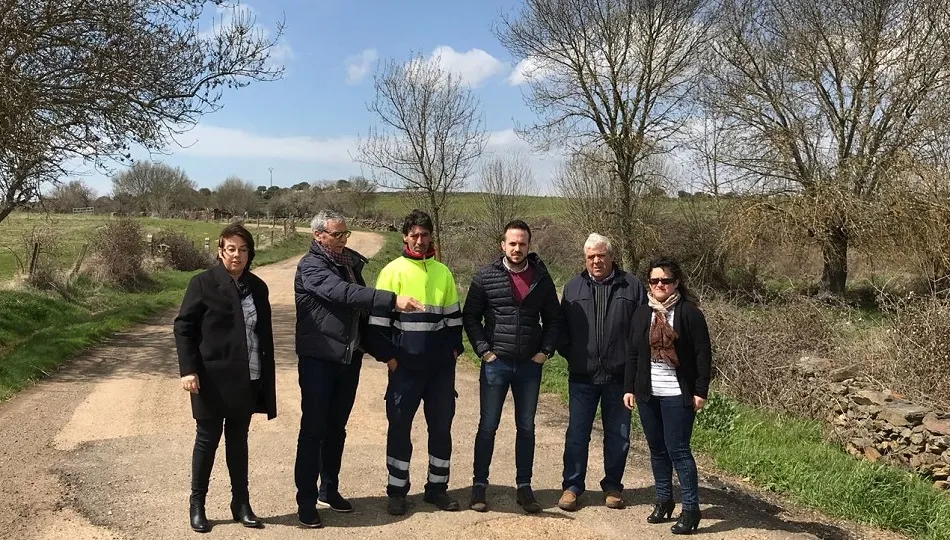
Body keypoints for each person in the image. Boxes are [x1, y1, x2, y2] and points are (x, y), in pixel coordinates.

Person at [293, 210, 424, 528]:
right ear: (318, 236)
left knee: (336, 429)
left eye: (345, 234)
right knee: (314, 431)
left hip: (348, 361)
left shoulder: (350, 265)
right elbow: (343, 294)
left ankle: (329, 489)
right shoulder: (311, 267)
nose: (342, 240)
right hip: (318, 360)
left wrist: (386, 354)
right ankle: (306, 501)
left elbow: (361, 316)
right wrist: (392, 300)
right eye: (336, 235)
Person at [173, 223, 276, 533]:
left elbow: (262, 334)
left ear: (249, 254)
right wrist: (188, 369)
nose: (237, 255)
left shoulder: (257, 287)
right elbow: (183, 328)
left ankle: (240, 503)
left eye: (243, 250)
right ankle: (197, 504)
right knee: (207, 440)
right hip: (210, 378)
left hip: (248, 377)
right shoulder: (202, 284)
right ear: (220, 252)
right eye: (231, 249)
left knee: (238, 441)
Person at [368, 209, 464, 516]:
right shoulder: (391, 271)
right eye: (414, 235)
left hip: (439, 371)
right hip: (405, 368)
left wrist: (452, 354)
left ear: (431, 236)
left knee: (441, 428)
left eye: (424, 235)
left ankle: (437, 489)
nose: (419, 241)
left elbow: (454, 322)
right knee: (399, 428)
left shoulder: (443, 272)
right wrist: (391, 359)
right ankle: (397, 491)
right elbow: (376, 327)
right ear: (405, 236)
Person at [462, 219, 562, 513]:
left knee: (527, 428)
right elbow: (471, 316)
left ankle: (524, 488)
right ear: (502, 245)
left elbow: (554, 319)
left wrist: (545, 351)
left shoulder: (541, 279)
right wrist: (483, 351)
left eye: (523, 244)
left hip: (530, 366)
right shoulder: (484, 277)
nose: (517, 248)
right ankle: (479, 486)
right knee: (488, 426)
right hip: (496, 364)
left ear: (529, 246)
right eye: (513, 243)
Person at [622, 257, 712, 535]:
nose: (660, 285)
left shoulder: (688, 313)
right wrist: (629, 388)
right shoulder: (641, 313)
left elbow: (702, 354)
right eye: (654, 280)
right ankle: (663, 500)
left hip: (677, 393)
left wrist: (700, 391)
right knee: (657, 449)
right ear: (648, 283)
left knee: (679, 451)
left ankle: (691, 508)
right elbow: (634, 353)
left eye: (666, 280)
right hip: (649, 392)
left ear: (676, 283)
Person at [557, 233, 646, 512]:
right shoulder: (572, 287)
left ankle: (612, 486)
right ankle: (572, 486)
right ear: (585, 259)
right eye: (591, 256)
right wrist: (573, 355)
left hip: (619, 378)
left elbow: (642, 330)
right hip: (583, 377)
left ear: (611, 256)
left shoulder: (632, 287)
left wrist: (633, 367)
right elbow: (561, 330)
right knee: (577, 434)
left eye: (601, 255)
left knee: (618, 435)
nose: (596, 260)